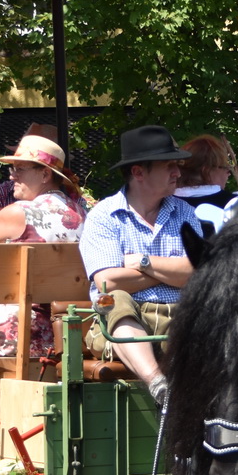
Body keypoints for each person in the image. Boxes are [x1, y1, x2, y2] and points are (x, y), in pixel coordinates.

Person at [76, 124, 196, 402]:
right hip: (126, 321)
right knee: (115, 298)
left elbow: (197, 272)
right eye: (169, 166)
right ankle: (158, 385)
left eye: (176, 165)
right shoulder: (105, 216)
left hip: (182, 320)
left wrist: (142, 262)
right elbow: (107, 281)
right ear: (138, 172)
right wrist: (171, 272)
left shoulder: (186, 213)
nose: (178, 173)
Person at [0, 133, 87, 358]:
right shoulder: (81, 213)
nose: (12, 176)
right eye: (11, 169)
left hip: (22, 327)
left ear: (45, 174)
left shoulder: (19, 211)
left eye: (20, 169)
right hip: (72, 328)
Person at [175, 134, 238, 209]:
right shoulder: (235, 205)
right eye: (226, 168)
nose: (229, 173)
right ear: (206, 171)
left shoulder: (162, 203)